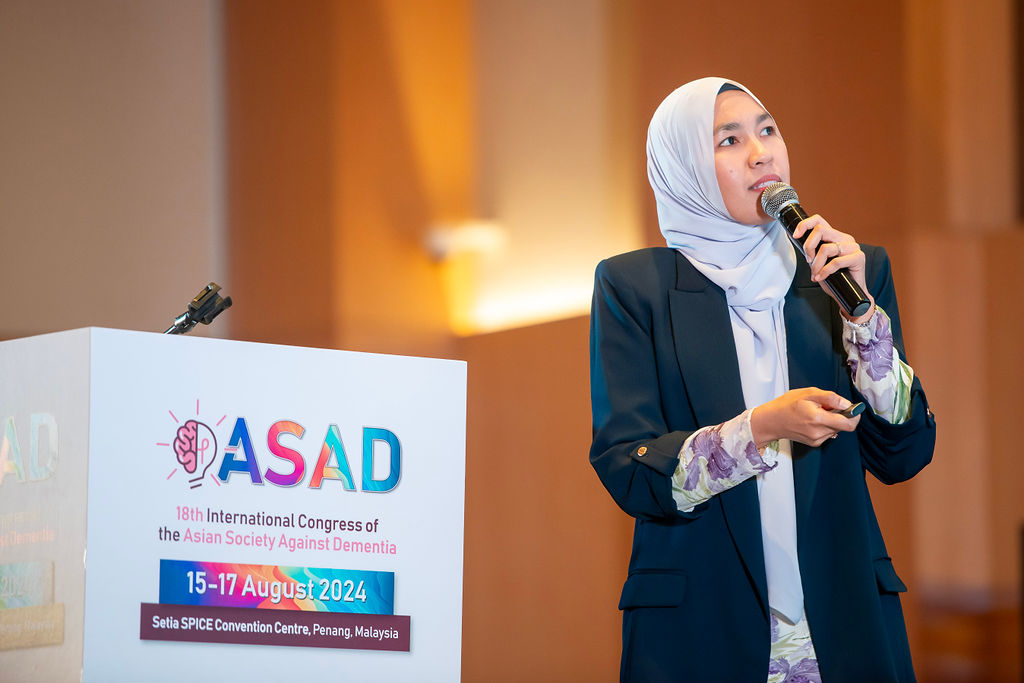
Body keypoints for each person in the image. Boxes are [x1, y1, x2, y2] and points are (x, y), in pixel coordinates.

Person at [589, 77, 936, 682]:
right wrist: (759, 429)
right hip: (700, 629)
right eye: (729, 139)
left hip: (844, 623)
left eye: (768, 130)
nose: (761, 153)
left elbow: (903, 455)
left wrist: (864, 320)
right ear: (684, 167)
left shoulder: (844, 270)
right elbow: (629, 470)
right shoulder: (635, 287)